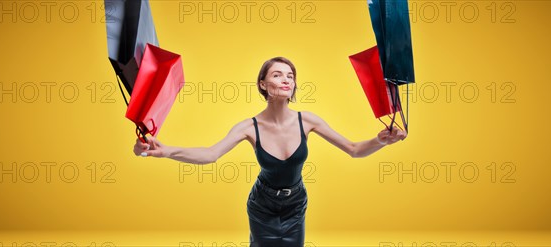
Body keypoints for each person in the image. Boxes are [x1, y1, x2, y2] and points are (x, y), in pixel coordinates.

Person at [133, 57, 407, 246]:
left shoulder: (307, 120)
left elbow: (354, 149)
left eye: (290, 76)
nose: (286, 80)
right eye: (277, 75)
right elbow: (210, 155)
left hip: (295, 205)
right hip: (262, 206)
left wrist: (381, 140)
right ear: (263, 84)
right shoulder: (249, 127)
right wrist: (166, 151)